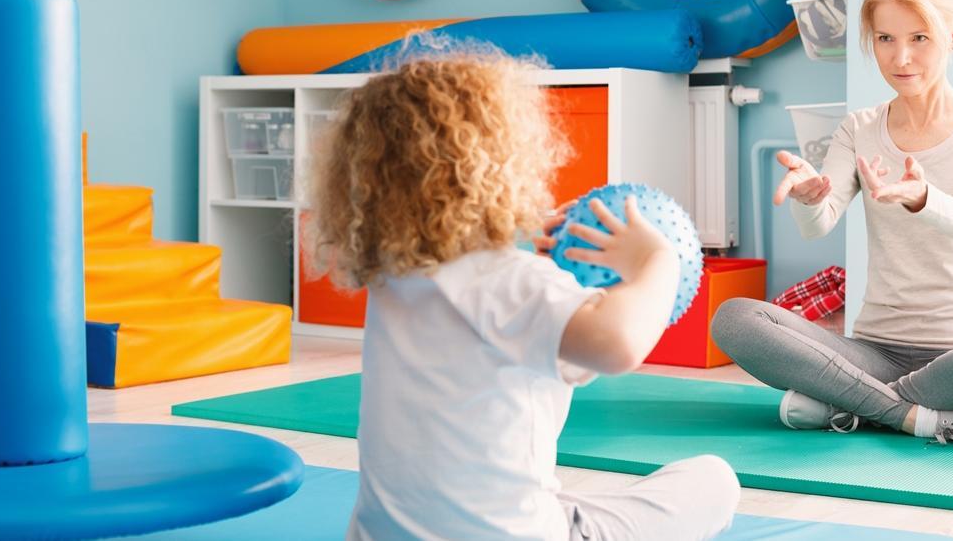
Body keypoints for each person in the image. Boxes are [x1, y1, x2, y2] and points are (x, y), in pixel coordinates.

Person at [307, 44, 739, 540]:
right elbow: (616, 345)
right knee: (712, 479)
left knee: (563, 496)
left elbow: (493, 309)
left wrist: (534, 260)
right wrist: (658, 260)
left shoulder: (394, 281)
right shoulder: (515, 282)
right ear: (502, 165)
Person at [711, 0, 953, 447]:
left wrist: (925, 199)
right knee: (735, 318)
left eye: (920, 38)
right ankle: (919, 419)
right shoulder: (859, 128)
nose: (901, 58)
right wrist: (811, 199)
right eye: (884, 39)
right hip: (875, 351)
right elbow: (818, 224)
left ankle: (850, 405)